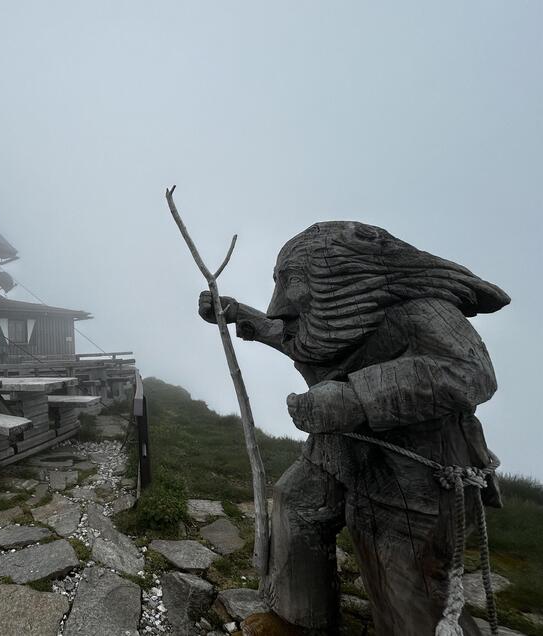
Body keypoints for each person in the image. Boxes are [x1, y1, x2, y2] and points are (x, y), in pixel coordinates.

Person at [198, 221, 508, 635]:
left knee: (399, 568)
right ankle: (299, 618)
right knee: (297, 503)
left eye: (291, 281)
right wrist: (238, 313)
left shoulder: (422, 310)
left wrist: (355, 398)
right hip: (339, 451)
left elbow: (471, 372)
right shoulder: (330, 322)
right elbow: (298, 338)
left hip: (416, 468)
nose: (278, 304)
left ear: (336, 274)